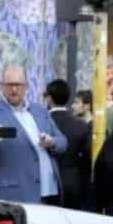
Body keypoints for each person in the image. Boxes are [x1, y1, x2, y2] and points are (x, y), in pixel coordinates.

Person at [0, 64, 67, 204]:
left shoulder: (40, 111)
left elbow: (63, 142)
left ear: (26, 86)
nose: (14, 89)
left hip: (50, 191)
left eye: (18, 85)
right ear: (2, 86)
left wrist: (52, 142)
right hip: (14, 196)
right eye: (9, 85)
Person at [46, 79, 91, 210]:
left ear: (49, 98)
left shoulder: (40, 124)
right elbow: (87, 157)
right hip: (73, 183)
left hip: (48, 184)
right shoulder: (80, 125)